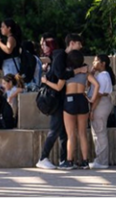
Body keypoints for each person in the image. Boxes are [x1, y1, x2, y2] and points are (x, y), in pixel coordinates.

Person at [36, 34, 87, 169]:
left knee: (64, 131)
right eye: (79, 44)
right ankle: (43, 157)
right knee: (55, 128)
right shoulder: (60, 56)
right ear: (71, 43)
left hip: (62, 98)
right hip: (54, 97)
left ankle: (65, 160)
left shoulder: (64, 58)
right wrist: (78, 70)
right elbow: (61, 76)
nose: (80, 47)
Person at [42, 50, 98, 170]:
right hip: (82, 100)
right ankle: (85, 161)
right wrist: (91, 98)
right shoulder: (85, 72)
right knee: (82, 133)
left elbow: (58, 87)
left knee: (71, 134)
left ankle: (69, 161)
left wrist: (46, 82)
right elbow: (96, 84)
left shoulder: (67, 73)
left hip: (70, 101)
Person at [89, 54, 116, 169]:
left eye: (96, 61)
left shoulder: (103, 76)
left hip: (100, 104)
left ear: (103, 63)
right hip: (102, 103)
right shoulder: (101, 75)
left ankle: (102, 161)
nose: (94, 63)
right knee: (98, 132)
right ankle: (100, 158)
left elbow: (99, 95)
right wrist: (91, 72)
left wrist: (92, 110)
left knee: (99, 132)